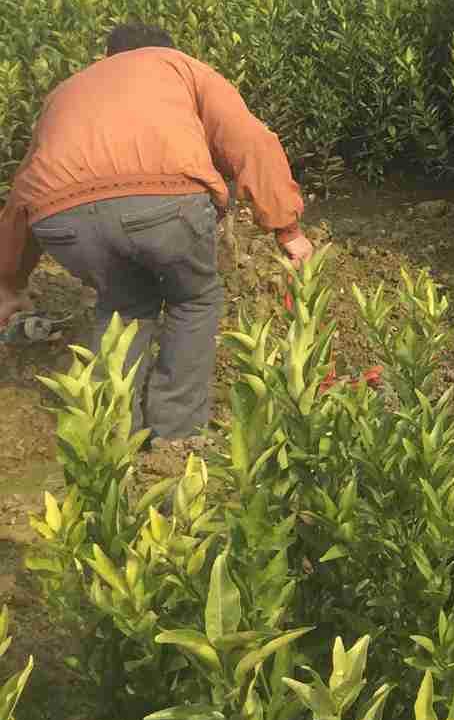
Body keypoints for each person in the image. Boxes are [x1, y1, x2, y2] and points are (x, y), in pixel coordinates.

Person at [0, 24, 312, 442]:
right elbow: (251, 142)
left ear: (108, 56)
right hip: (165, 203)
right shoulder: (182, 68)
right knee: (194, 298)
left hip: (63, 218)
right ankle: (175, 437)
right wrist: (286, 229)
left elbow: (25, 186)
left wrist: (8, 281)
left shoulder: (67, 90)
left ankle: (109, 438)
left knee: (123, 305)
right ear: (167, 50)